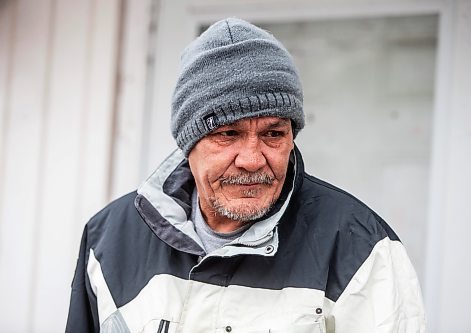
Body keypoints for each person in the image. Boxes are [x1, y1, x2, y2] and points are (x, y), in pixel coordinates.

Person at [66, 18, 425, 333]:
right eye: (227, 134)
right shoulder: (109, 241)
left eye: (273, 134)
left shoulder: (359, 247)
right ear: (187, 143)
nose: (253, 160)